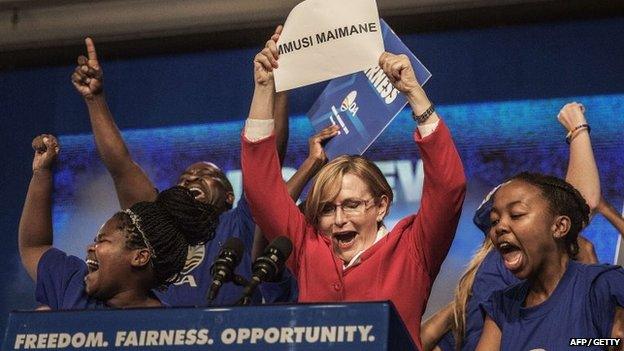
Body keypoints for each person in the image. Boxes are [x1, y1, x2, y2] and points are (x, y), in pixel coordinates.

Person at [240, 31, 466, 349]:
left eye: (352, 204)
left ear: (381, 205)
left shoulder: (413, 248)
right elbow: (261, 192)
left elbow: (449, 186)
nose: (339, 219)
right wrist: (264, 87)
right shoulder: (308, 247)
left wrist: (414, 94)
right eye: (328, 209)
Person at [70, 31, 296, 306]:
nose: (191, 180)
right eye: (185, 178)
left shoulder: (240, 222)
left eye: (207, 176)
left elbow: (268, 158)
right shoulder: (156, 224)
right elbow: (121, 166)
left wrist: (279, 86)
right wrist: (94, 100)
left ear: (229, 196)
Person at [421, 102, 603, 351]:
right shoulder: (498, 268)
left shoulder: (485, 281)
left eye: (517, 214)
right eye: (497, 219)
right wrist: (577, 128)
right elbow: (581, 202)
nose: (504, 225)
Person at [19, 135, 219, 309]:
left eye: (102, 241)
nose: (91, 247)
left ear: (140, 257)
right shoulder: (73, 285)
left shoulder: (169, 329)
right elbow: (34, 246)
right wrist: (41, 174)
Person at [476, 172, 624, 350]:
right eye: (495, 220)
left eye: (516, 214)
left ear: (559, 226)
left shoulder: (604, 286)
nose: (499, 227)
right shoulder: (501, 307)